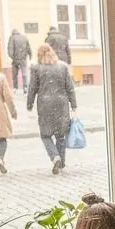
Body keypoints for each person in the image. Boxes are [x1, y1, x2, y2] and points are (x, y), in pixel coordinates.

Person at [27, 42, 76, 174]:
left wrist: (29, 103)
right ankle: (62, 162)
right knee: (61, 135)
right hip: (61, 104)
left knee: (46, 135)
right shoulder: (63, 67)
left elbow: (32, 88)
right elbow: (70, 87)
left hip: (45, 104)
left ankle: (55, 157)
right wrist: (74, 104)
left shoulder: (36, 68)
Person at [7, 27, 32, 93]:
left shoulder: (12, 38)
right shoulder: (24, 37)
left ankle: (15, 88)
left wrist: (12, 57)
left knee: (15, 74)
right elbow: (28, 47)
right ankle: (25, 87)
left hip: (15, 59)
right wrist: (30, 55)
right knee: (24, 73)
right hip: (23, 59)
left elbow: (10, 49)